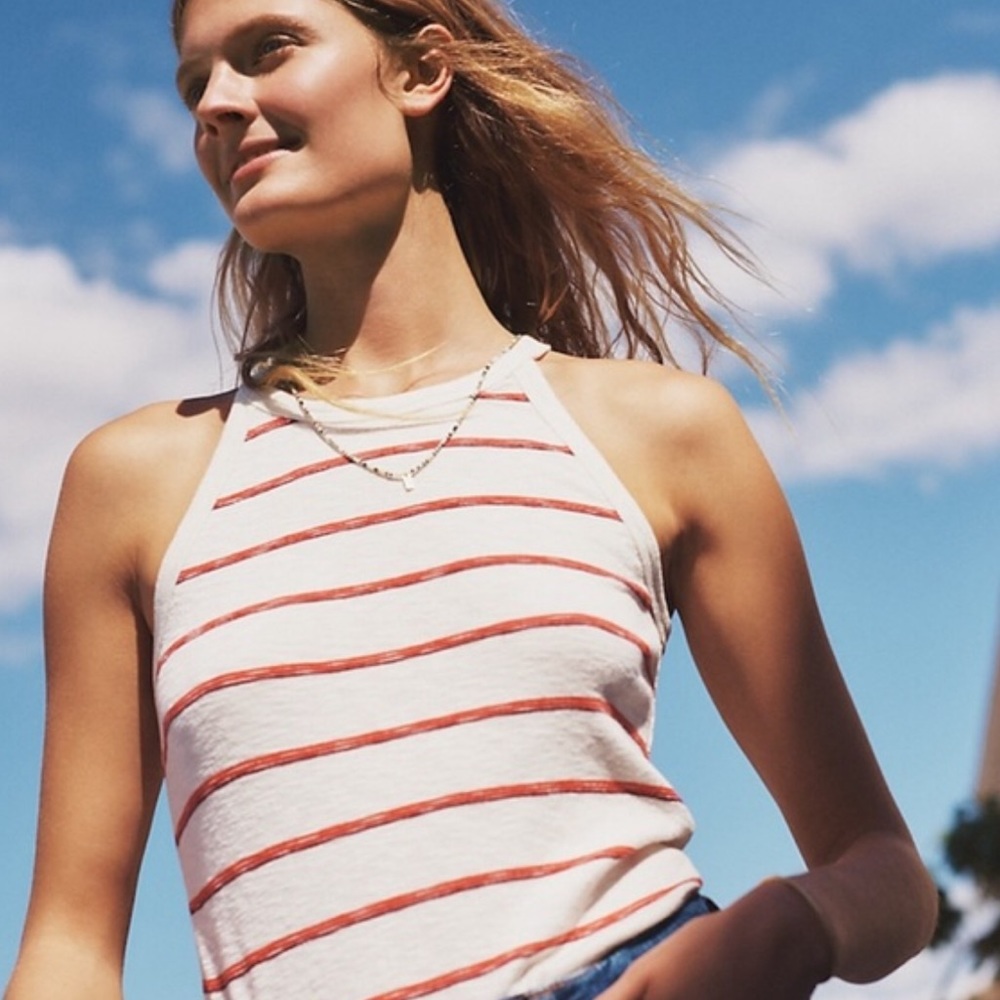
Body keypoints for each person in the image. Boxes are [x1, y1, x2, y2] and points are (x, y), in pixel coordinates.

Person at [5, 0, 938, 997]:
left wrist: (785, 928)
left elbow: (883, 873)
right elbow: (68, 944)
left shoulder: (662, 433)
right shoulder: (138, 482)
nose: (217, 104)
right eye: (195, 83)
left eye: (265, 50)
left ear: (420, 71)